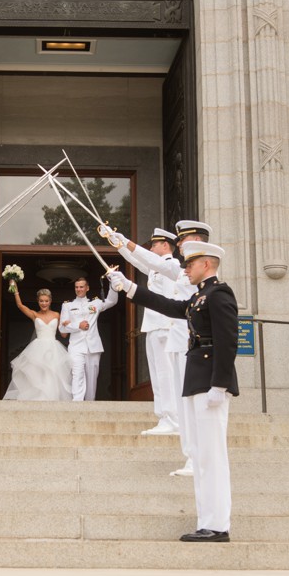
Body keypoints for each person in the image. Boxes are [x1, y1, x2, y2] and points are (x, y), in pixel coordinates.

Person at [106, 240, 239, 543]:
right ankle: (208, 522)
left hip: (210, 385)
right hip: (196, 382)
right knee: (202, 456)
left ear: (206, 263)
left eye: (190, 264)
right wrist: (128, 287)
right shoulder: (198, 297)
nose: (186, 269)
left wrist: (220, 384)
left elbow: (227, 341)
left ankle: (218, 525)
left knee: (212, 455)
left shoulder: (219, 295)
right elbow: (169, 306)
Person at [109, 220, 212, 476]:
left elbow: (152, 264)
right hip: (162, 327)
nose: (179, 246)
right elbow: (142, 263)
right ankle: (168, 420)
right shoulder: (173, 267)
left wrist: (124, 241)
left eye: (154, 243)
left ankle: (173, 421)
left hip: (172, 330)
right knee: (162, 378)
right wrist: (118, 244)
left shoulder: (176, 266)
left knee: (173, 383)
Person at [3, 285, 72, 401]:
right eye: (41, 301)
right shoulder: (35, 315)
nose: (44, 303)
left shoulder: (56, 315)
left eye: (46, 301)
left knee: (53, 374)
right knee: (37, 375)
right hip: (37, 348)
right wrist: (15, 290)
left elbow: (64, 335)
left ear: (50, 301)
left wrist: (67, 326)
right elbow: (20, 306)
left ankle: (51, 399)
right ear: (38, 301)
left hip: (53, 348)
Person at [59, 276, 118, 401]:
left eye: (81, 287)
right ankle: (77, 403)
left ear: (87, 288)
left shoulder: (95, 303)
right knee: (77, 374)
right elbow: (62, 329)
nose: (79, 289)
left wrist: (113, 282)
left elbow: (112, 301)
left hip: (93, 346)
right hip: (76, 346)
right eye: (76, 287)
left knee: (92, 379)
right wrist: (77, 326)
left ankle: (89, 404)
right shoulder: (67, 305)